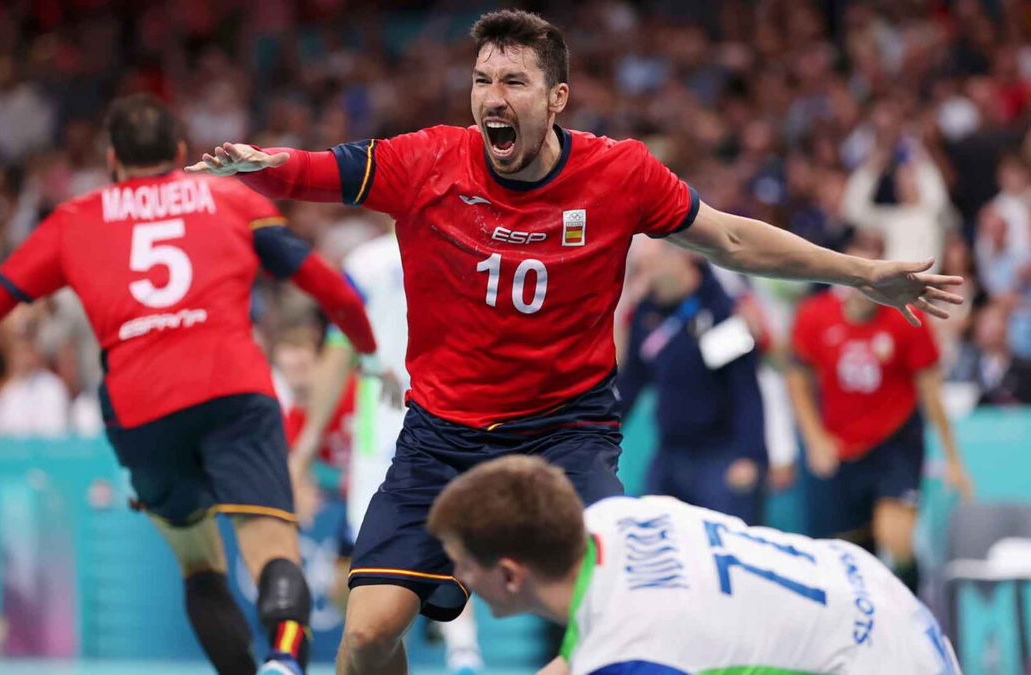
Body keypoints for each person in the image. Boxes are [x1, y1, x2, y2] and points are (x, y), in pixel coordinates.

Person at [186, 10, 963, 674]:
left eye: (514, 82)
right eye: (483, 80)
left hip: (567, 435)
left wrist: (861, 273)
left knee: (620, 600)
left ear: (556, 98)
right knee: (365, 633)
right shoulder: (426, 160)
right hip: (440, 437)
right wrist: (261, 167)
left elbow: (729, 237)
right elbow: (316, 172)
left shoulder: (618, 173)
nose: (493, 97)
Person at [0, 94, 378, 675]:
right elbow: (333, 290)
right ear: (178, 153)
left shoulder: (74, 221)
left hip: (142, 409)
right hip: (234, 392)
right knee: (274, 549)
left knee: (199, 566)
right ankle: (284, 658)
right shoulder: (229, 199)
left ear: (111, 160)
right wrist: (370, 354)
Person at [427, 455, 963, 675]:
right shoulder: (613, 520)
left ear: (511, 574)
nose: (457, 580)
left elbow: (615, 650)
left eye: (461, 565)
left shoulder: (631, 650)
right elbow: (583, 652)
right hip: (868, 588)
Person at [289, 230, 485, 675]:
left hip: (388, 447)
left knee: (372, 588)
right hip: (457, 431)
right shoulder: (477, 245)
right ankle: (463, 651)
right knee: (448, 546)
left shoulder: (366, 264)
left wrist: (303, 451)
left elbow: (338, 357)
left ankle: (459, 651)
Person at [787, 232, 973, 594]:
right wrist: (814, 438)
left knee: (897, 539)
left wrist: (953, 459)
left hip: (895, 441)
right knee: (850, 553)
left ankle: (915, 607)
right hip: (841, 445)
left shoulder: (907, 318)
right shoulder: (815, 316)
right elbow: (796, 377)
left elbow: (931, 393)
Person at [616, 242, 768, 524]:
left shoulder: (719, 311)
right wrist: (599, 431)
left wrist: (751, 455)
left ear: (681, 258)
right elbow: (632, 384)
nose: (643, 277)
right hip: (670, 452)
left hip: (721, 455)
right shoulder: (647, 313)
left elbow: (745, 388)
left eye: (649, 266)